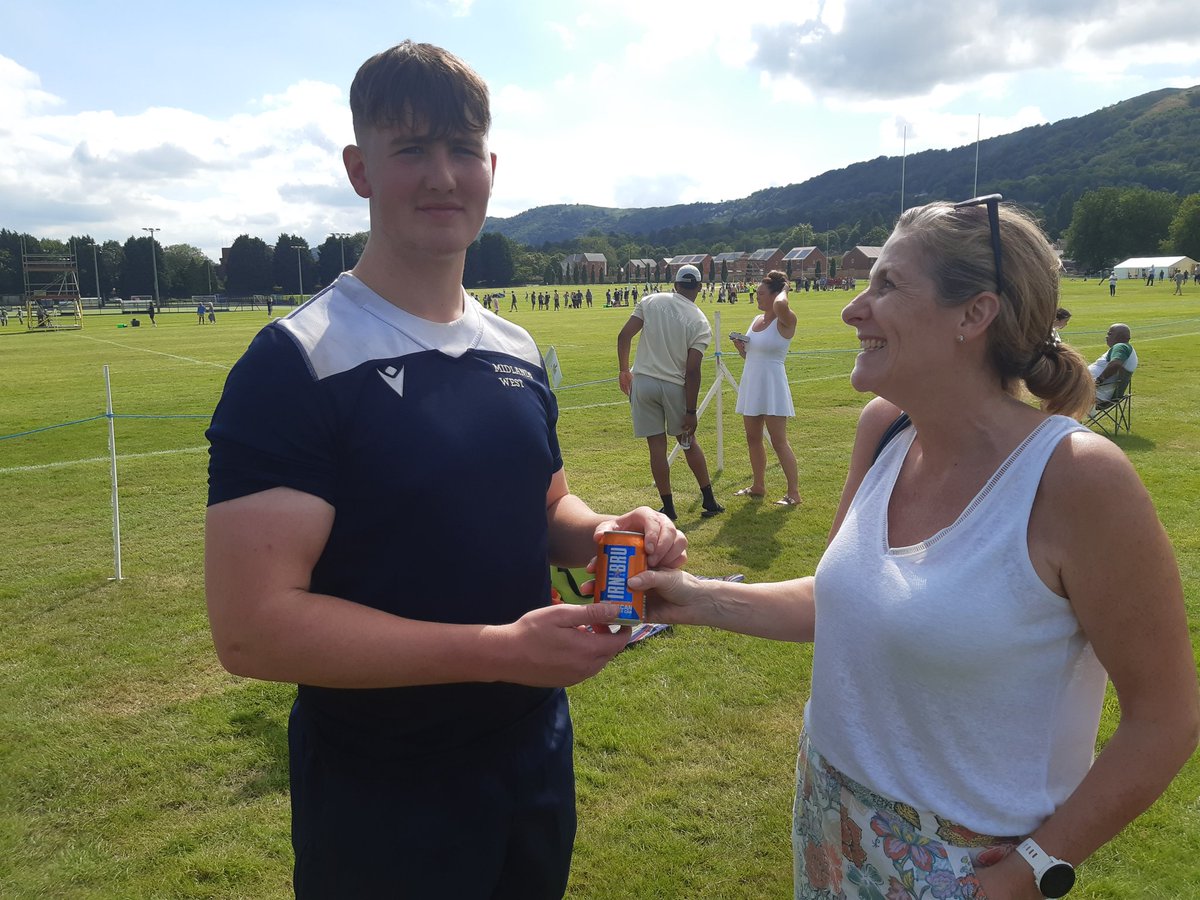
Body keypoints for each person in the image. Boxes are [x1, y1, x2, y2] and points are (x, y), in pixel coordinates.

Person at [204, 40, 687, 899]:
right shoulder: (296, 361)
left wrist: (613, 531)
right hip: (383, 785)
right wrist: (498, 651)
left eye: (462, 149)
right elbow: (252, 628)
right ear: (360, 168)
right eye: (411, 149)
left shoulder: (516, 349)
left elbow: (545, 509)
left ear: (491, 167)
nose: (442, 175)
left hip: (534, 754)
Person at [631, 198, 1199, 899]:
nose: (852, 310)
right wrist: (692, 597)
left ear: (974, 314)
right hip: (830, 820)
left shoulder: (1077, 479)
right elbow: (836, 598)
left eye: (888, 285)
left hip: (969, 870)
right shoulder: (887, 428)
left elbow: (1165, 718)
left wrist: (1036, 866)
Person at [617, 264, 725, 521]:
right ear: (699, 287)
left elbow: (624, 336)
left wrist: (624, 370)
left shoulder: (651, 300)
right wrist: (691, 411)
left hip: (643, 382)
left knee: (656, 447)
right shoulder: (700, 321)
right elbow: (693, 370)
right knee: (687, 442)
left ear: (675, 284)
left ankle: (668, 507)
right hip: (674, 387)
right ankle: (708, 499)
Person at [731, 269, 801, 506]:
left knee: (778, 440)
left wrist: (784, 289)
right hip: (752, 382)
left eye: (761, 293)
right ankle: (758, 485)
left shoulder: (786, 318)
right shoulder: (755, 320)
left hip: (773, 385)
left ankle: (794, 493)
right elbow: (751, 357)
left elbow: (781, 306)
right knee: (752, 437)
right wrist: (742, 349)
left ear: (775, 294)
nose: (757, 296)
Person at [1088, 322, 1138, 403]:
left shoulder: (1121, 346)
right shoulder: (1127, 349)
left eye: (1109, 334)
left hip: (1094, 393)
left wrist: (1098, 381)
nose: (1106, 337)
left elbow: (1116, 364)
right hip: (1098, 392)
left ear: (1120, 336)